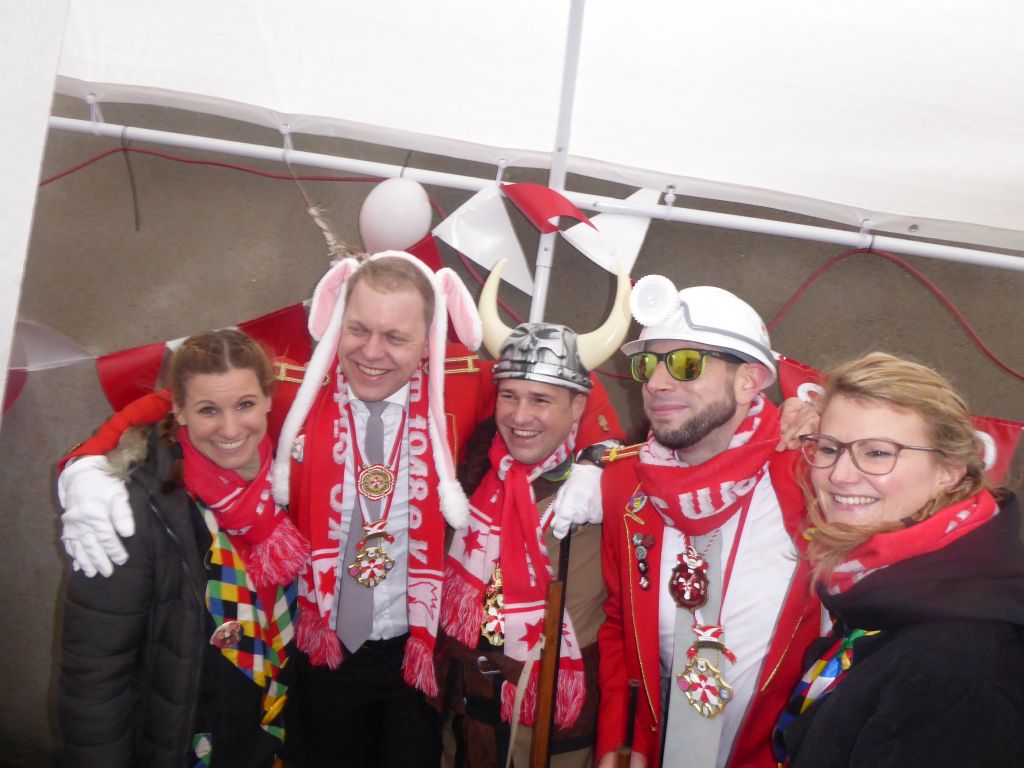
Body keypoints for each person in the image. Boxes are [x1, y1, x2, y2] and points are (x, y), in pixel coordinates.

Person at [56, 251, 623, 767]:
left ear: (429, 340)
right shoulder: (292, 389)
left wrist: (598, 457)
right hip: (317, 647)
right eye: (358, 329)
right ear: (337, 319)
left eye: (395, 337)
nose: (371, 353)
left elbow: (568, 383)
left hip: (417, 655)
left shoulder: (461, 383)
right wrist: (85, 462)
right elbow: (180, 397)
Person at [596, 275, 822, 768]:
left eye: (685, 363)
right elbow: (619, 626)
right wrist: (617, 741)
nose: (656, 383)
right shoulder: (624, 485)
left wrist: (833, 425)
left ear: (749, 381)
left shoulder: (813, 474)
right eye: (647, 364)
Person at [58, 329, 307, 767]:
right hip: (188, 747)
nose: (231, 429)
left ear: (270, 399)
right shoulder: (128, 513)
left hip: (276, 735)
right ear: (178, 409)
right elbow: (95, 679)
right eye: (208, 409)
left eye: (245, 405)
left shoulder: (288, 482)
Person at [770, 352, 1024, 767]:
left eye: (876, 453)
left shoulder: (961, 661)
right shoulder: (887, 589)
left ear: (949, 470)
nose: (838, 475)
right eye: (830, 448)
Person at [438, 261, 629, 767]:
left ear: (577, 408)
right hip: (469, 702)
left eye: (541, 400)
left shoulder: (609, 484)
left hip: (555, 713)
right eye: (510, 396)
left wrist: (602, 463)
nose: (520, 417)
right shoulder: (474, 467)